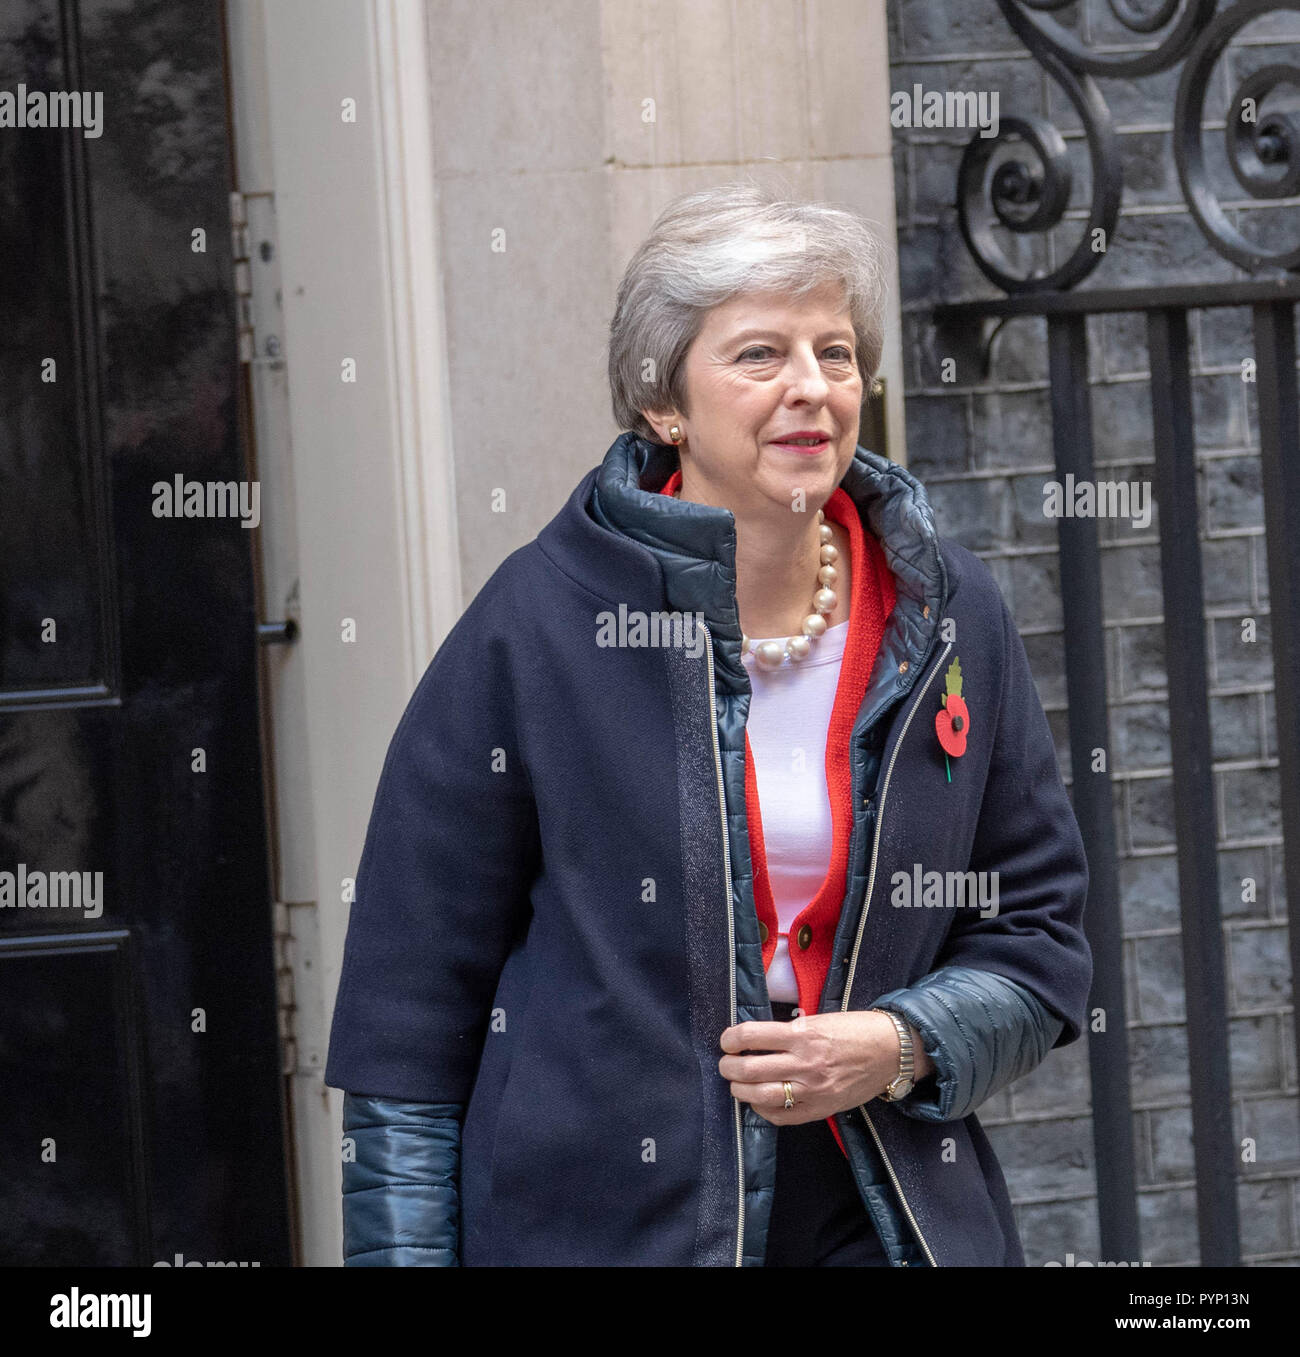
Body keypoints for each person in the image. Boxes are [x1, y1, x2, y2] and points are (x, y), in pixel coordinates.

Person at [324, 181, 1092, 1267]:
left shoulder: (946, 614)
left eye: (833, 352)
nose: (810, 389)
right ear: (663, 403)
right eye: (759, 356)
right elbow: (407, 1013)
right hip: (601, 1223)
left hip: (883, 1217)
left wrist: (901, 1042)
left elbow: (1040, 933)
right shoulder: (537, 619)